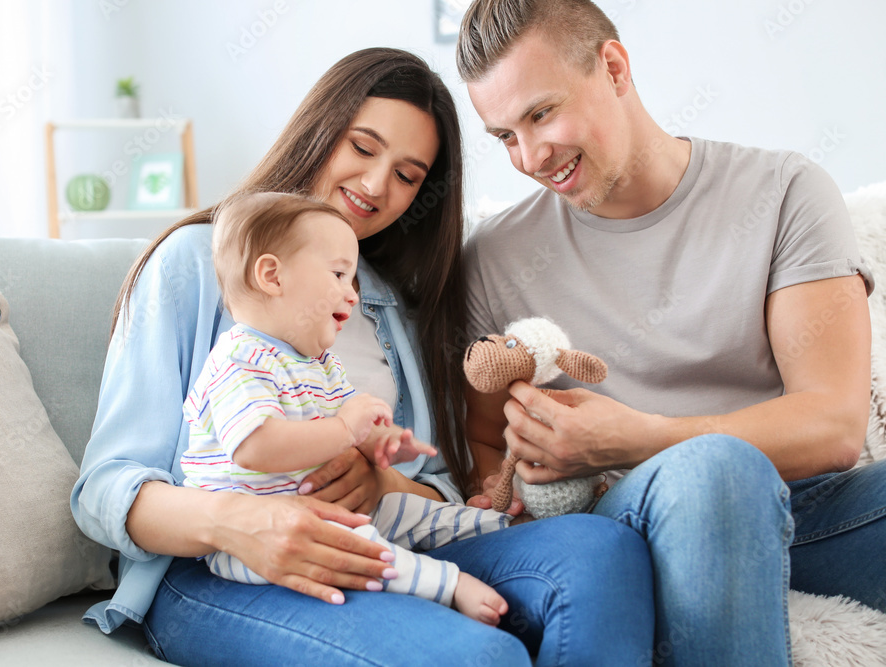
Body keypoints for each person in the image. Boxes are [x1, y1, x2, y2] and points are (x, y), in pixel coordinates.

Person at [72, 47, 654, 666]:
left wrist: (384, 480)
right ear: (319, 132)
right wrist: (238, 522)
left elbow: (436, 485)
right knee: (475, 656)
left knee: (603, 548)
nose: (377, 187)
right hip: (220, 568)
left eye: (407, 175)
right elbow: (104, 489)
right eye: (362, 147)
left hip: (379, 538)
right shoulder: (198, 263)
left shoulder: (392, 303)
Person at [455, 1, 886, 665]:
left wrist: (631, 434)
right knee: (715, 470)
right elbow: (483, 438)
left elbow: (832, 424)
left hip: (798, 513)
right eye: (504, 136)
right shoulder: (497, 256)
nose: (530, 156)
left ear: (615, 68)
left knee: (724, 469)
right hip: (624, 529)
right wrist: (507, 488)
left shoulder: (784, 191)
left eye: (541, 113)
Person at [183, 191, 510, 625]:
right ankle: (447, 584)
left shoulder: (317, 361)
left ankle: (495, 527)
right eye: (339, 274)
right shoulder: (239, 359)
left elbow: (353, 421)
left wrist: (385, 443)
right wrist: (344, 430)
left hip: (322, 511)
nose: (351, 295)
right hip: (259, 540)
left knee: (402, 508)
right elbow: (255, 448)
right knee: (352, 539)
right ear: (272, 277)